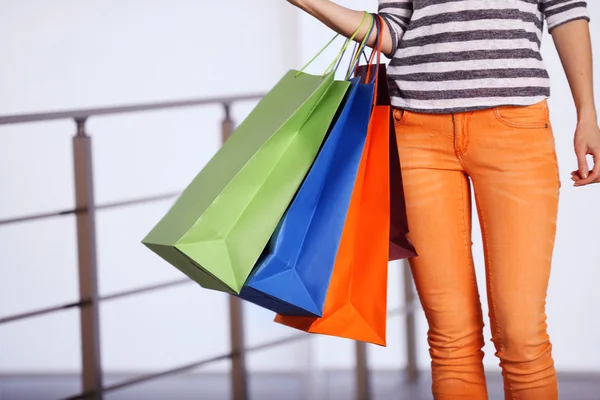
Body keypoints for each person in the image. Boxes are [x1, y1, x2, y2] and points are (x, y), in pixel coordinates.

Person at [287, 1, 599, 399]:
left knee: (522, 334)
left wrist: (587, 113)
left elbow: (566, 13)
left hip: (514, 131)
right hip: (416, 134)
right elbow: (390, 33)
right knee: (451, 338)